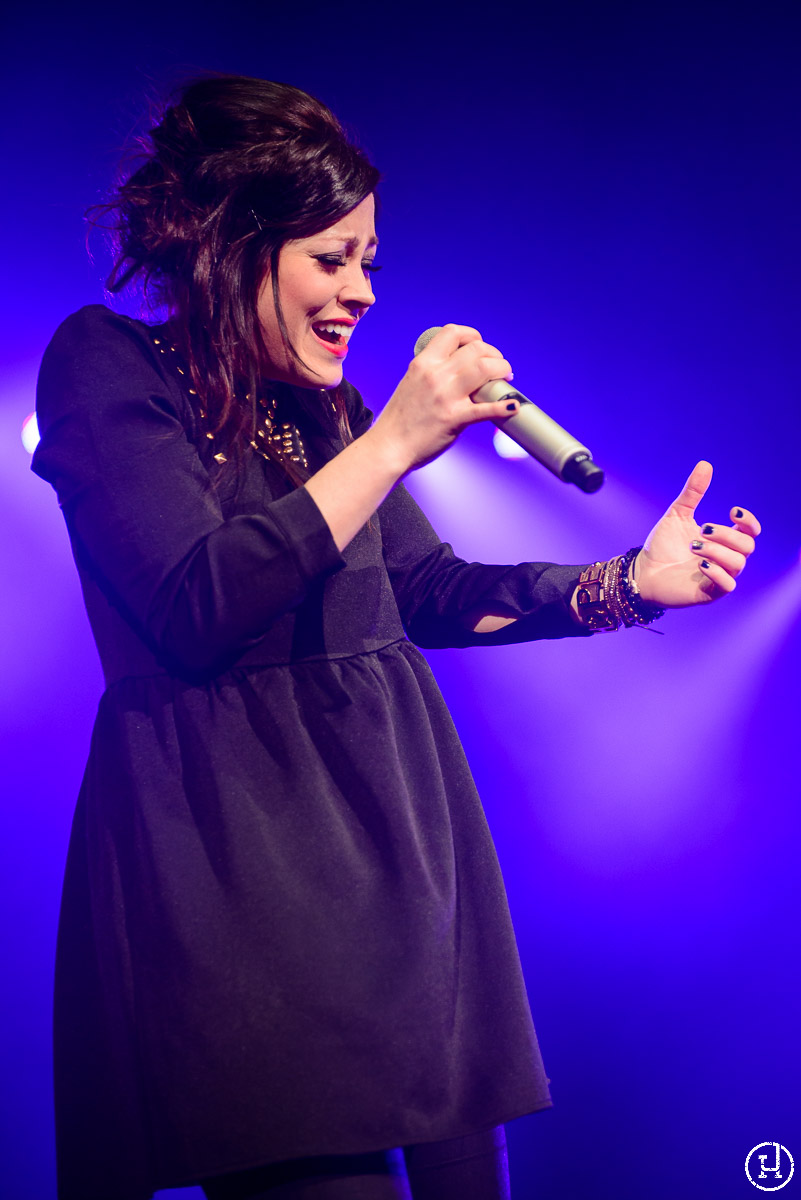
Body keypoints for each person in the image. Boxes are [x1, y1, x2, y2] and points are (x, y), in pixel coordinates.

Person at [32, 74, 760, 1200]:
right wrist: (394, 441)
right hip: (248, 873)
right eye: (334, 258)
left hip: (403, 868)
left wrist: (630, 585)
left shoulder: (320, 410)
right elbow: (189, 602)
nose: (363, 292)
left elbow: (422, 589)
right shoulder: (110, 367)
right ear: (235, 248)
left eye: (371, 260)